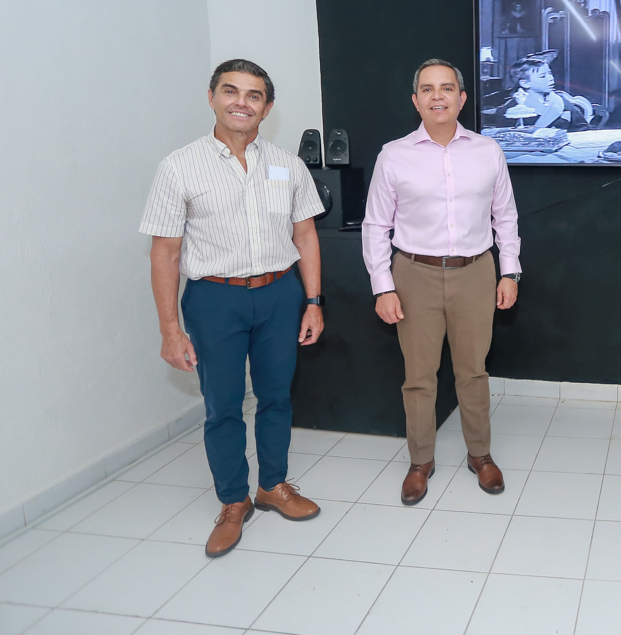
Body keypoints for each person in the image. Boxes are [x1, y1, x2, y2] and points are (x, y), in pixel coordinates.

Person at [140, 59, 326, 558]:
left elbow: (306, 235)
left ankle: (272, 485)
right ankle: (232, 500)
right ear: (212, 97)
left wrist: (313, 302)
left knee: (276, 396)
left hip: (279, 294)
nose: (241, 102)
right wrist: (170, 329)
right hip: (214, 299)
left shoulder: (288, 165)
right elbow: (165, 253)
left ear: (267, 107)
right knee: (222, 404)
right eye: (231, 91)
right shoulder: (179, 166)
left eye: (254, 95)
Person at [362, 58, 522, 505]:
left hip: (476, 272)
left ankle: (480, 455)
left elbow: (506, 217)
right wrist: (383, 286)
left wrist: (509, 271)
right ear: (416, 101)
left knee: (473, 371)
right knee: (418, 377)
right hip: (414, 274)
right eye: (428, 89)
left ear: (462, 98)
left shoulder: (488, 151)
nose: (438, 96)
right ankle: (420, 461)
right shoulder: (394, 155)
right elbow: (375, 226)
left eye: (447, 88)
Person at [492, 50, 591, 131]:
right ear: (525, 83)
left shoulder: (561, 102)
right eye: (542, 76)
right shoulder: (510, 109)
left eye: (550, 74)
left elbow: (583, 130)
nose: (550, 78)